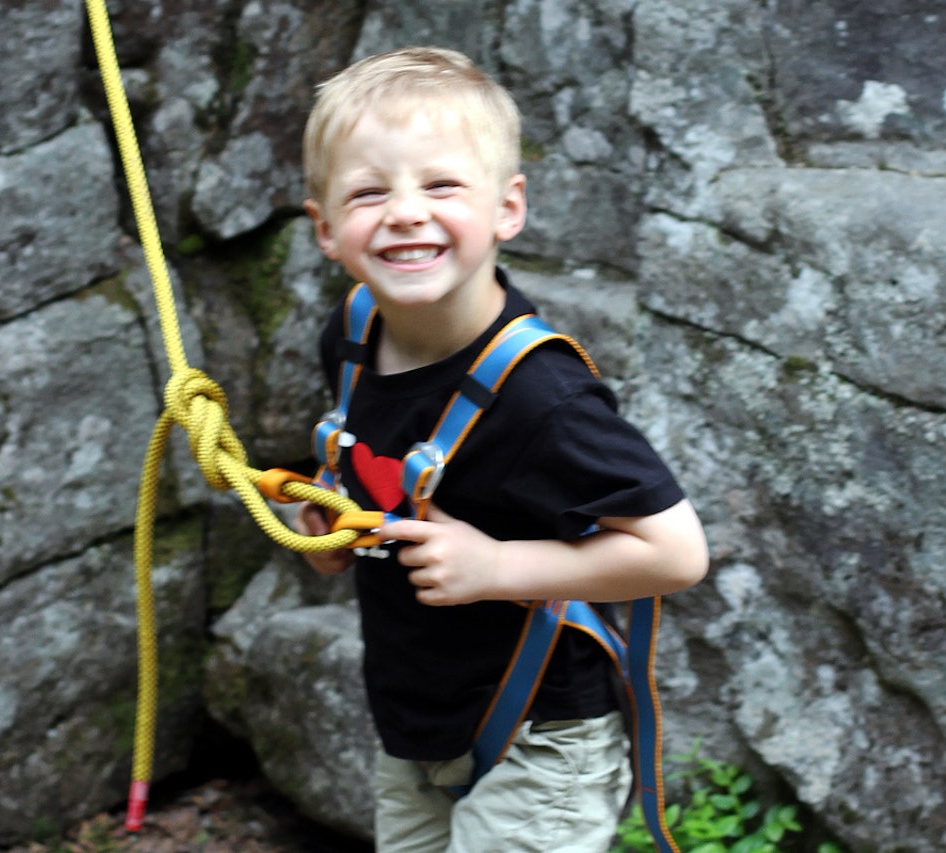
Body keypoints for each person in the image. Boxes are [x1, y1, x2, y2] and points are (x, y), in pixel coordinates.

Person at [292, 46, 709, 853]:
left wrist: (496, 569)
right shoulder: (352, 335)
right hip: (418, 721)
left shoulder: (540, 398)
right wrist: (324, 519)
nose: (406, 212)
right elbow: (363, 474)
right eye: (370, 192)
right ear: (326, 228)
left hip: (544, 733)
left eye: (441, 185)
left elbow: (676, 553)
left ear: (507, 208)